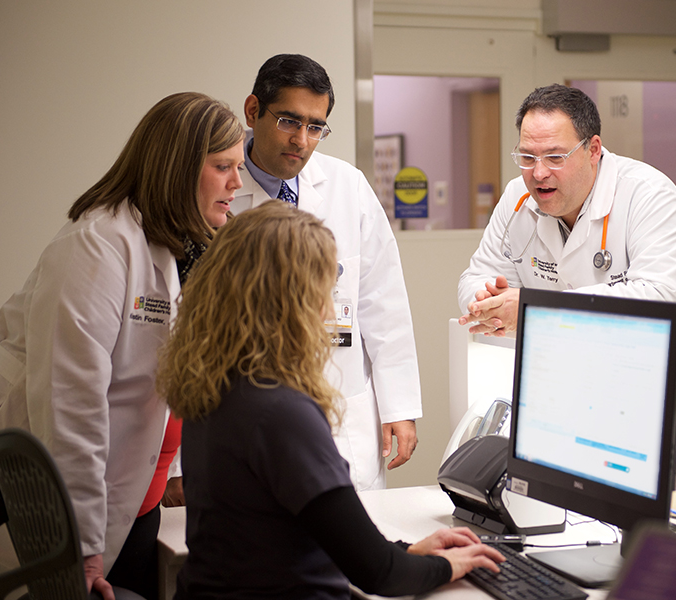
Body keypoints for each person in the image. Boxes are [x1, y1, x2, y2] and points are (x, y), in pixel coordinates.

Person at [0, 92, 245, 600]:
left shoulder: (171, 241)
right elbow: (72, 403)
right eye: (223, 166)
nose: (237, 184)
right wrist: (82, 550)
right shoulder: (97, 245)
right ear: (178, 168)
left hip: (131, 494)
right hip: (53, 496)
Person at [157, 202, 504, 599]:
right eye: (325, 288)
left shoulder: (216, 386)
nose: (329, 308)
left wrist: (408, 552)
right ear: (294, 302)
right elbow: (381, 575)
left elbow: (308, 539)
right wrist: (447, 565)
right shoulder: (281, 413)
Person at [228, 53, 421, 491]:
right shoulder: (220, 187)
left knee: (359, 547)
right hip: (248, 416)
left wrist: (399, 405)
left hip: (341, 416)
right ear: (253, 111)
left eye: (315, 127)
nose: (302, 140)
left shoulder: (346, 185)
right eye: (288, 122)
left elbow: (383, 301)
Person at [458, 84, 676, 337]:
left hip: (671, 364)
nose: (538, 173)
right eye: (527, 158)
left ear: (592, 150)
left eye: (555, 158)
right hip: (575, 355)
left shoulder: (649, 194)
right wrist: (488, 305)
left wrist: (535, 309)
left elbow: (663, 298)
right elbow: (477, 277)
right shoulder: (518, 196)